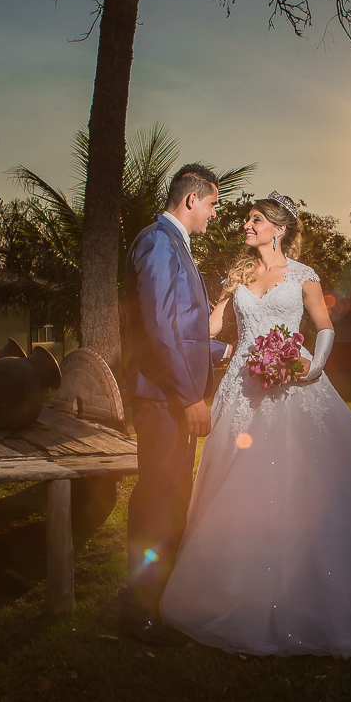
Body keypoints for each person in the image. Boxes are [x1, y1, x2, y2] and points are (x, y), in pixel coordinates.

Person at [159, 192, 351, 658]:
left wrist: (314, 366)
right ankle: (234, 584)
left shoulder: (304, 277)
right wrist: (196, 330)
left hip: (294, 378)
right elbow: (213, 326)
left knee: (303, 477)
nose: (246, 226)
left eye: (255, 219)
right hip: (242, 386)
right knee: (237, 479)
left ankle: (313, 582)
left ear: (278, 228)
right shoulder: (235, 276)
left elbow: (324, 327)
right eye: (246, 219)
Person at [121, 164, 230, 645]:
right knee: (158, 501)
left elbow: (185, 332)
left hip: (173, 398)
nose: (213, 214)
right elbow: (160, 331)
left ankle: (160, 601)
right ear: (191, 201)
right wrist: (189, 397)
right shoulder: (158, 243)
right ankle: (139, 613)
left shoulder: (175, 245)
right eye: (212, 204)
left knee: (172, 500)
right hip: (165, 402)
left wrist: (230, 352)